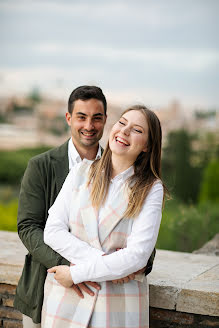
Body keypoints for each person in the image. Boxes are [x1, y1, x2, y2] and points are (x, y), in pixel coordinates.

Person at [14, 86, 155, 327]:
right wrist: (70, 268)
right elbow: (28, 226)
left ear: (106, 121)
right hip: (45, 282)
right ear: (69, 118)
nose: (89, 125)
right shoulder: (41, 165)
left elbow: (139, 233)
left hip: (108, 297)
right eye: (81, 117)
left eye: (96, 118)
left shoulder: (131, 175)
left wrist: (141, 263)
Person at [41, 105, 164, 328]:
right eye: (122, 122)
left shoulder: (151, 188)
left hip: (117, 305)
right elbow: (52, 231)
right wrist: (105, 262)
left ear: (147, 146)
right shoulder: (80, 172)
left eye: (136, 130)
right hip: (68, 300)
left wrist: (76, 273)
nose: (124, 131)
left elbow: (138, 255)